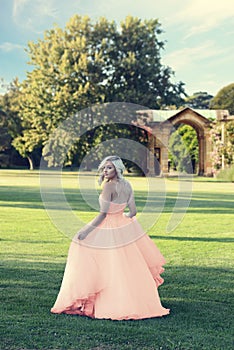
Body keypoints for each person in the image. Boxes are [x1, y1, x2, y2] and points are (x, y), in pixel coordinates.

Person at [51, 155, 170, 320]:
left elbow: (103, 215)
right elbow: (133, 212)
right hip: (123, 226)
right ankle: (134, 302)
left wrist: (86, 231)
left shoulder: (108, 187)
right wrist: (123, 219)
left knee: (102, 261)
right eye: (104, 168)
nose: (105, 171)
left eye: (109, 168)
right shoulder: (127, 185)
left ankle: (104, 302)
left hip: (108, 226)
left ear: (117, 169)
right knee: (125, 266)